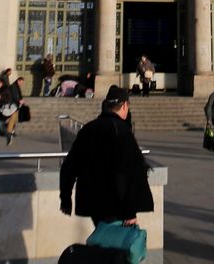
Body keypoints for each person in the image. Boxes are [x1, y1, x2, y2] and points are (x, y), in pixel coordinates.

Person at [60, 85, 155, 234]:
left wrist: (65, 198)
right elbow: (127, 173)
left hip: (92, 202)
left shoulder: (88, 129)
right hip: (114, 204)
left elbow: (70, 166)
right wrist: (129, 212)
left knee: (103, 242)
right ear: (124, 105)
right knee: (116, 248)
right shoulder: (121, 132)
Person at [0, 68, 22, 146]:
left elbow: (8, 99)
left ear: (1, 83)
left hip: (2, 111)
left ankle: (8, 135)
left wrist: (0, 98)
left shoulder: (5, 89)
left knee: (0, 127)